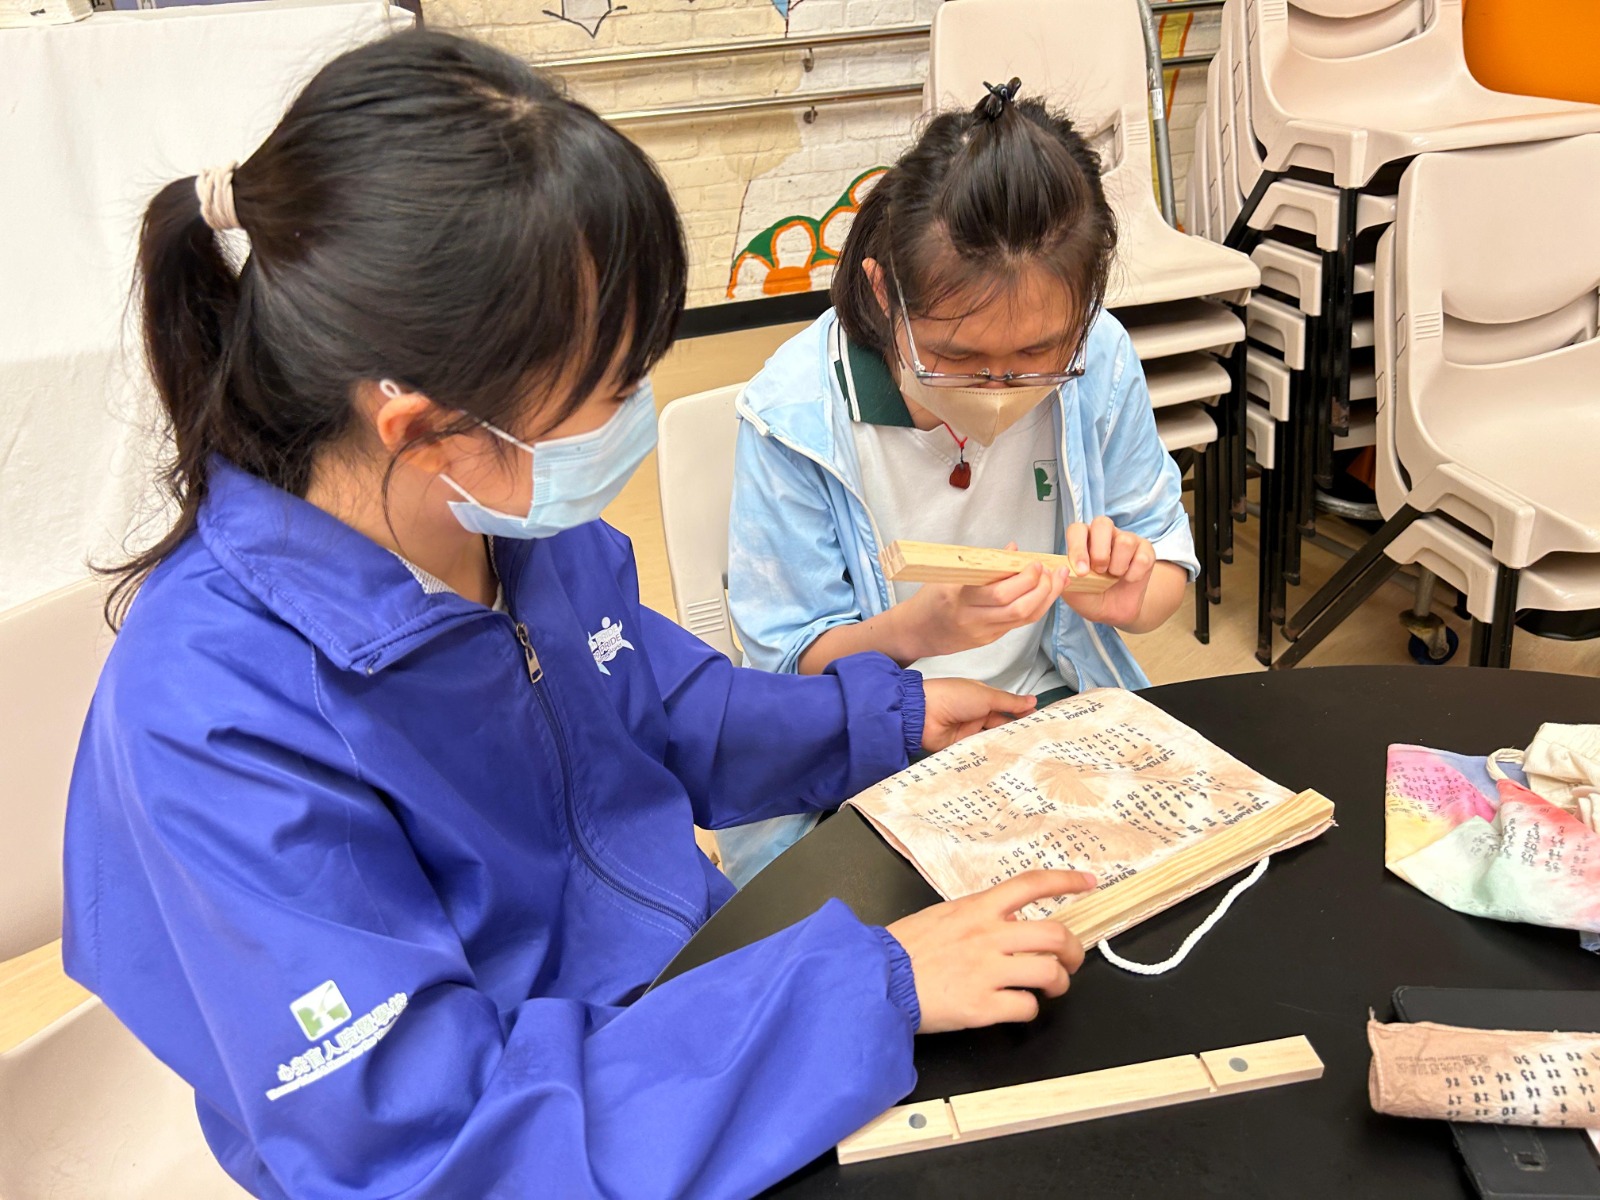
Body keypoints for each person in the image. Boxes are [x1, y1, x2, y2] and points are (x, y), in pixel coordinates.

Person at [61, 34, 1094, 1200]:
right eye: (613, 385)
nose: (637, 410)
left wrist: (886, 718)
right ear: (425, 424)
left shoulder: (510, 527)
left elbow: (658, 709)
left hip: (685, 1010)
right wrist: (863, 989)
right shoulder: (213, 720)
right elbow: (434, 1146)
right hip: (552, 1128)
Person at [718, 80, 1199, 887]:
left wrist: (1130, 596)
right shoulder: (794, 417)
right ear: (885, 292)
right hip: (880, 743)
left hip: (1051, 711)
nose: (1000, 388)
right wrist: (919, 631)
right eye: (959, 357)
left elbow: (1162, 568)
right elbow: (789, 665)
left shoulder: (1099, 360)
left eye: (1038, 354)